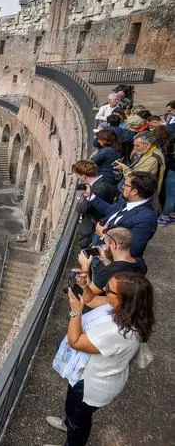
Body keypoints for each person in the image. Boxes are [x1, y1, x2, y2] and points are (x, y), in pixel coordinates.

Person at [47, 272, 155, 446]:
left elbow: (75, 341)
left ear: (125, 299)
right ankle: (67, 423)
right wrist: (84, 286)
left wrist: (75, 313)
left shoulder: (118, 332)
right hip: (87, 373)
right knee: (74, 411)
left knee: (79, 421)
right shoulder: (124, 308)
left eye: (108, 290)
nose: (104, 290)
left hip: (90, 384)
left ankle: (72, 436)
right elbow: (90, 300)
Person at [84, 171, 158, 258]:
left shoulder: (147, 218)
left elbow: (133, 249)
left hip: (109, 263)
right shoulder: (127, 200)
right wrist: (91, 196)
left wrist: (104, 235)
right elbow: (109, 210)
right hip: (99, 247)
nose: (122, 187)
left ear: (134, 191)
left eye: (125, 185)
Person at [77, 228, 147, 304]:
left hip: (110, 305)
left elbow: (87, 295)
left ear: (113, 245)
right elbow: (121, 267)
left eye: (106, 244)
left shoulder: (109, 272)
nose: (105, 247)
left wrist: (84, 267)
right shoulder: (140, 262)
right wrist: (105, 260)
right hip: (128, 301)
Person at [72, 160, 117, 249]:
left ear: (84, 177)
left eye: (78, 175)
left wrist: (82, 199)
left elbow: (81, 208)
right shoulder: (103, 180)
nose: (78, 178)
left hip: (92, 230)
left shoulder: (97, 190)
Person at [113, 132, 165, 200]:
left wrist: (124, 168)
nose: (135, 148)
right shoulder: (148, 152)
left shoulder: (152, 159)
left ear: (148, 145)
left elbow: (137, 180)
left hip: (139, 196)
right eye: (134, 145)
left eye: (137, 146)